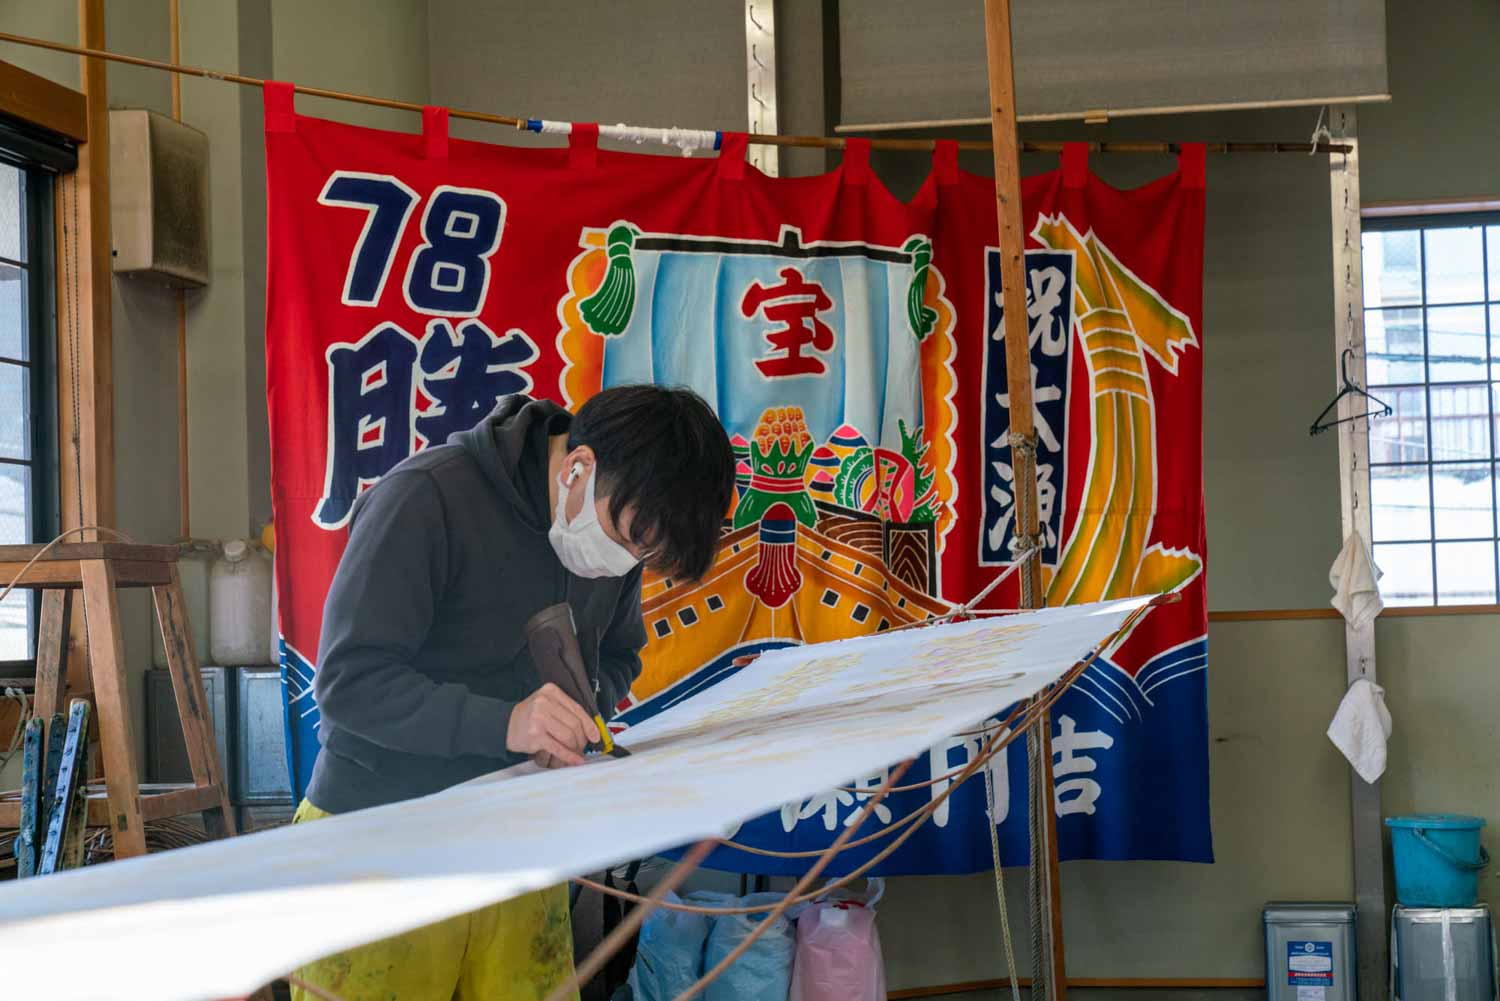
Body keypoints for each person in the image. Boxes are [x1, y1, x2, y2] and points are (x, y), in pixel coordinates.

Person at [289, 385, 736, 1001]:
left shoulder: (621, 539)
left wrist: (582, 713)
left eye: (645, 554)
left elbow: (617, 652)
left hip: (517, 836)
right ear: (579, 466)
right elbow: (348, 683)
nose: (626, 560)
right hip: (380, 835)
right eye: (628, 536)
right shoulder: (426, 497)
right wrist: (506, 724)